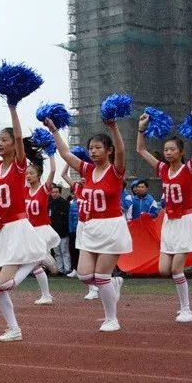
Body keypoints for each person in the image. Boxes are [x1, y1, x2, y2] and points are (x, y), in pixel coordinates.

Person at [0, 99, 54, 342]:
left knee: (5, 284)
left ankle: (36, 257)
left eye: (3, 140)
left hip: (18, 226)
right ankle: (14, 328)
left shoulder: (19, 166)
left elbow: (19, 139)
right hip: (1, 229)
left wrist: (12, 108)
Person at [44, 112, 130, 333]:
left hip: (111, 227)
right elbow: (64, 153)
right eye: (91, 148)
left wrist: (113, 127)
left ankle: (112, 318)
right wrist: (53, 130)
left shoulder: (115, 171)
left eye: (98, 147)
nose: (93, 151)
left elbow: (121, 150)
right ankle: (114, 284)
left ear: (108, 150)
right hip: (90, 228)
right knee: (84, 275)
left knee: (101, 277)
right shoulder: (87, 170)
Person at [137, 108, 192, 322]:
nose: (167, 152)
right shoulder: (161, 169)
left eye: (172, 149)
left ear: (181, 152)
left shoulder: (188, 169)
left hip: (185, 221)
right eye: (166, 149)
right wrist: (142, 128)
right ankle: (183, 305)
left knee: (177, 268)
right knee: (163, 270)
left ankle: (186, 309)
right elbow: (141, 150)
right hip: (169, 222)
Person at [24, 153, 59, 305]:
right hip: (29, 230)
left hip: (42, 229)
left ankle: (50, 262)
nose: (28, 176)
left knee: (37, 257)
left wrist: (51, 154)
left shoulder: (44, 189)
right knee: (35, 264)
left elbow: (52, 171)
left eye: (31, 173)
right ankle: (46, 295)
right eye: (26, 174)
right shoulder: (25, 190)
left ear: (38, 175)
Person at [49, 185, 72, 275]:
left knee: (65, 251)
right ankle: (60, 269)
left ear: (60, 192)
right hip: (53, 232)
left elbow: (67, 218)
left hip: (63, 232)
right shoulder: (50, 203)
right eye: (53, 192)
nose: (54, 194)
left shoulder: (65, 203)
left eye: (56, 192)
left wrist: (67, 230)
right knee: (57, 252)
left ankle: (67, 269)